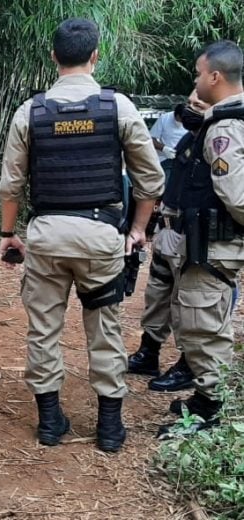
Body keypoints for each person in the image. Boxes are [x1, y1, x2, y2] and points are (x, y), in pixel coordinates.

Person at [0, 18, 164, 453]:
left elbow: (11, 185)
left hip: (47, 237)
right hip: (101, 238)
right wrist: (138, 230)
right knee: (105, 330)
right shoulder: (118, 108)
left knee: (43, 330)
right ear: (96, 56)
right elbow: (151, 180)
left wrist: (8, 234)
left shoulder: (29, 112)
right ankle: (109, 430)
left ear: (53, 56)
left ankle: (50, 424)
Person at [159, 40, 244, 435]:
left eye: (198, 72)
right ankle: (203, 398)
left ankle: (210, 412)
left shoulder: (224, 128)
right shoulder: (219, 120)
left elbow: (237, 194)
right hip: (203, 247)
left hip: (212, 247)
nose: (195, 79)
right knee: (195, 321)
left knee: (205, 327)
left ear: (215, 76)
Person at [128, 91, 211, 392]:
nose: (190, 110)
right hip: (168, 229)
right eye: (190, 106)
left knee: (187, 303)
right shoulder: (190, 142)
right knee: (158, 294)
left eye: (198, 106)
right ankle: (148, 353)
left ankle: (189, 365)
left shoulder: (218, 143)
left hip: (195, 237)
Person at [150, 103, 188, 182]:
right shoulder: (165, 118)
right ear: (175, 114)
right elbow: (150, 139)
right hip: (165, 158)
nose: (180, 122)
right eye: (179, 119)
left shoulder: (189, 120)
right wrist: (164, 148)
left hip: (183, 158)